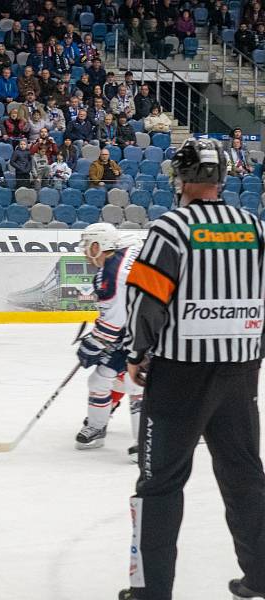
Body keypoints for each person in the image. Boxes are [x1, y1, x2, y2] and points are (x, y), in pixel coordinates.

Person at [119, 137, 265, 600]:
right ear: (223, 178)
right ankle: (262, 575)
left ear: (179, 180)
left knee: (159, 482)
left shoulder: (171, 228)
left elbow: (146, 299)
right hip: (241, 370)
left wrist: (137, 352)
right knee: (244, 474)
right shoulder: (254, 226)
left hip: (180, 373)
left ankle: (150, 592)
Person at [72, 223, 142, 455]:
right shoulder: (126, 250)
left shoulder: (110, 274)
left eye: (87, 245)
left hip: (152, 329)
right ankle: (96, 427)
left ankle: (146, 442)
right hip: (134, 326)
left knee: (135, 382)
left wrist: (94, 344)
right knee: (99, 380)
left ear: (97, 245)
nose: (84, 251)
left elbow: (113, 321)